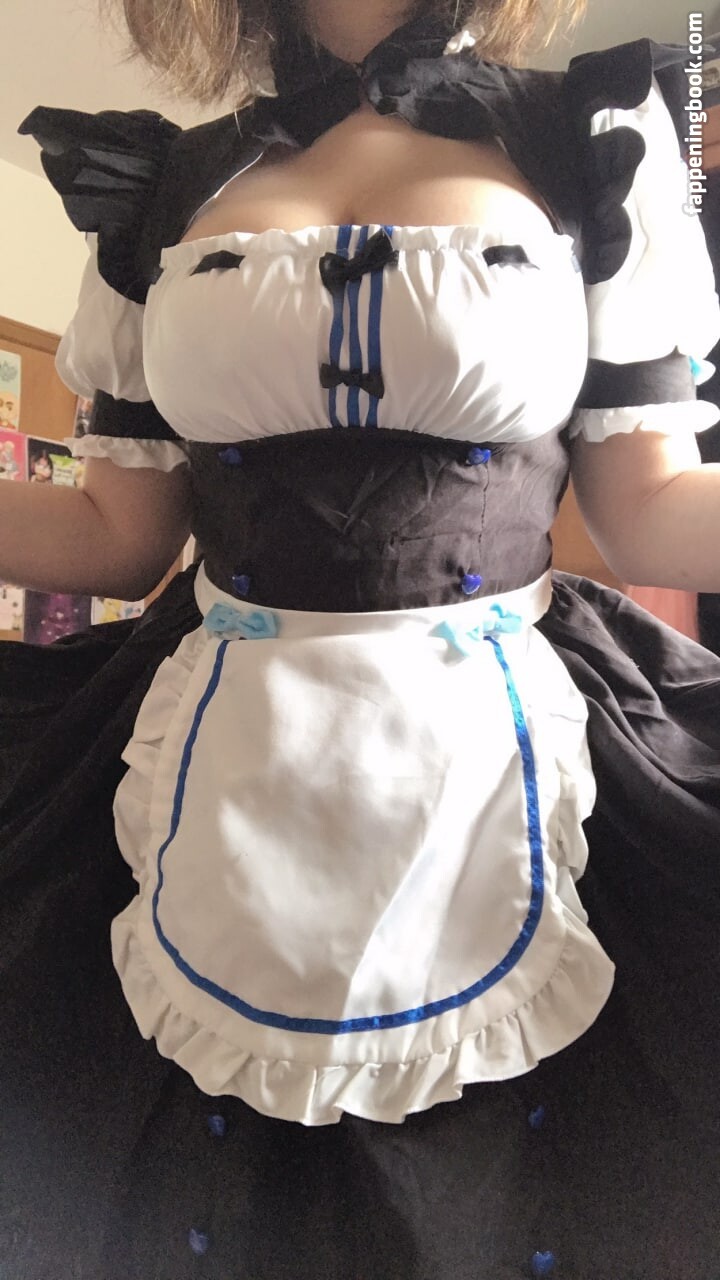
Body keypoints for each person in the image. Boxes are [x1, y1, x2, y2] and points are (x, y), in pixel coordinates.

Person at [5, 1, 720, 1276]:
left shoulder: (590, 137)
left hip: (510, 740)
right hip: (217, 745)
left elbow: (653, 509)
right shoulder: (159, 182)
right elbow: (116, 534)